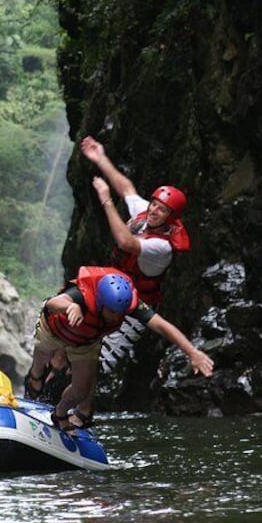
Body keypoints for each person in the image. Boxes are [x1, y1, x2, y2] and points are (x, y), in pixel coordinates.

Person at [25, 266, 213, 431]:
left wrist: (192, 352)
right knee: (40, 365)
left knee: (81, 390)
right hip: (53, 331)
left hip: (85, 342)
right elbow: (52, 303)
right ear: (101, 302)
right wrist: (70, 307)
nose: (117, 317)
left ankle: (59, 414)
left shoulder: (128, 303)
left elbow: (162, 325)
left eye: (120, 313)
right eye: (112, 312)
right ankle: (35, 379)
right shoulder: (83, 294)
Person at [81, 136, 193, 374]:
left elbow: (126, 242)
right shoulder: (146, 214)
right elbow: (127, 189)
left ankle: (75, 407)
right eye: (153, 204)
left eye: (161, 210)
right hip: (110, 290)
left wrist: (106, 201)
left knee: (96, 364)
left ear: (170, 218)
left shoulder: (162, 248)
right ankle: (40, 386)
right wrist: (101, 158)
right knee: (72, 333)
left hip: (133, 309)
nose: (153, 210)